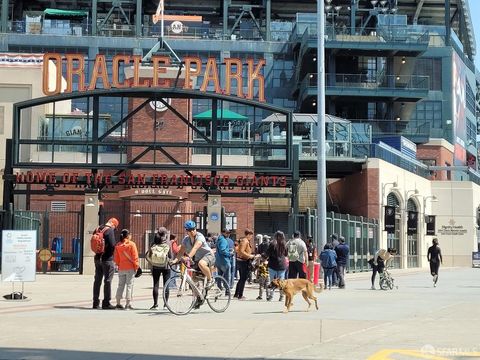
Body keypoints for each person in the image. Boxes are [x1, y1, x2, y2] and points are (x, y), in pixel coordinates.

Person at [172, 220, 215, 291]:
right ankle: (197, 299)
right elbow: (181, 252)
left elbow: (195, 248)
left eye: (193, 229)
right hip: (197, 259)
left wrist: (188, 257)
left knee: (201, 263)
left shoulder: (200, 237)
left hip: (208, 255)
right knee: (194, 281)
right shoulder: (186, 240)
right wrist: (175, 260)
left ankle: (210, 280)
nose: (192, 231)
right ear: (186, 230)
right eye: (190, 230)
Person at [92, 217, 119, 310]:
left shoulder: (98, 228)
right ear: (113, 225)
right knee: (107, 280)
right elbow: (112, 244)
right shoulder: (110, 230)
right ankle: (106, 303)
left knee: (97, 280)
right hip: (107, 259)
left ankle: (95, 302)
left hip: (97, 258)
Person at [145, 227, 172, 309]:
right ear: (165, 234)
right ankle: (165, 304)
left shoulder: (153, 243)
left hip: (155, 266)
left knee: (155, 285)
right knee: (166, 285)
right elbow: (170, 256)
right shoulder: (168, 243)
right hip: (166, 266)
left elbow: (148, 255)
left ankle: (155, 304)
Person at [113, 229, 139, 310]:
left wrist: (118, 265)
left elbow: (116, 258)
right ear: (128, 235)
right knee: (129, 285)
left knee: (120, 285)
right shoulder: (131, 244)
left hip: (121, 268)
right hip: (130, 268)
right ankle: (128, 304)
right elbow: (135, 257)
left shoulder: (118, 245)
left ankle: (118, 303)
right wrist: (136, 266)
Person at [266, 230, 288, 301]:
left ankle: (271, 296)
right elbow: (286, 254)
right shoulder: (284, 244)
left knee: (272, 281)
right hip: (282, 265)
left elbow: (267, 253)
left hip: (272, 264)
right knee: (281, 282)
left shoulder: (272, 243)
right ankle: (281, 296)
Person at [234, 228, 255, 300]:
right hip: (243, 261)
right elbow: (241, 251)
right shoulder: (245, 241)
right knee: (243, 278)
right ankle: (240, 295)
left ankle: (237, 294)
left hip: (242, 260)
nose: (251, 237)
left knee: (242, 278)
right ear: (248, 235)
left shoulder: (244, 241)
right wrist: (250, 256)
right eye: (251, 235)